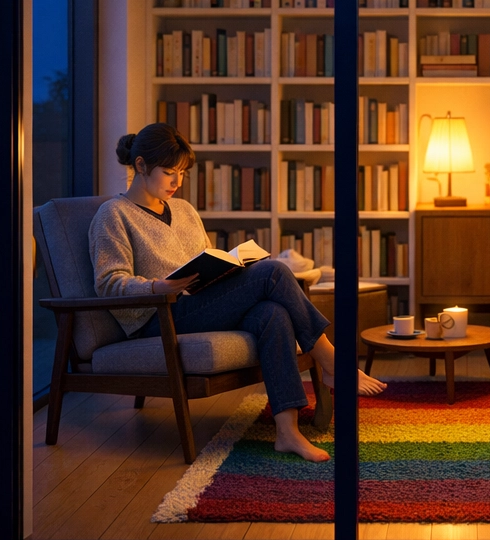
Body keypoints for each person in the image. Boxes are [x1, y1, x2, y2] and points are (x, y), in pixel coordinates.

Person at [88, 123, 385, 463]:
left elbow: (205, 259)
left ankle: (287, 432)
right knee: (274, 271)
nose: (177, 182)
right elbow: (109, 282)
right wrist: (157, 286)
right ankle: (332, 361)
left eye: (182, 173)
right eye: (169, 173)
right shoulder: (112, 215)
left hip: (196, 306)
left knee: (273, 313)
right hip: (158, 316)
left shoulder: (184, 210)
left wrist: (227, 268)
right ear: (140, 166)